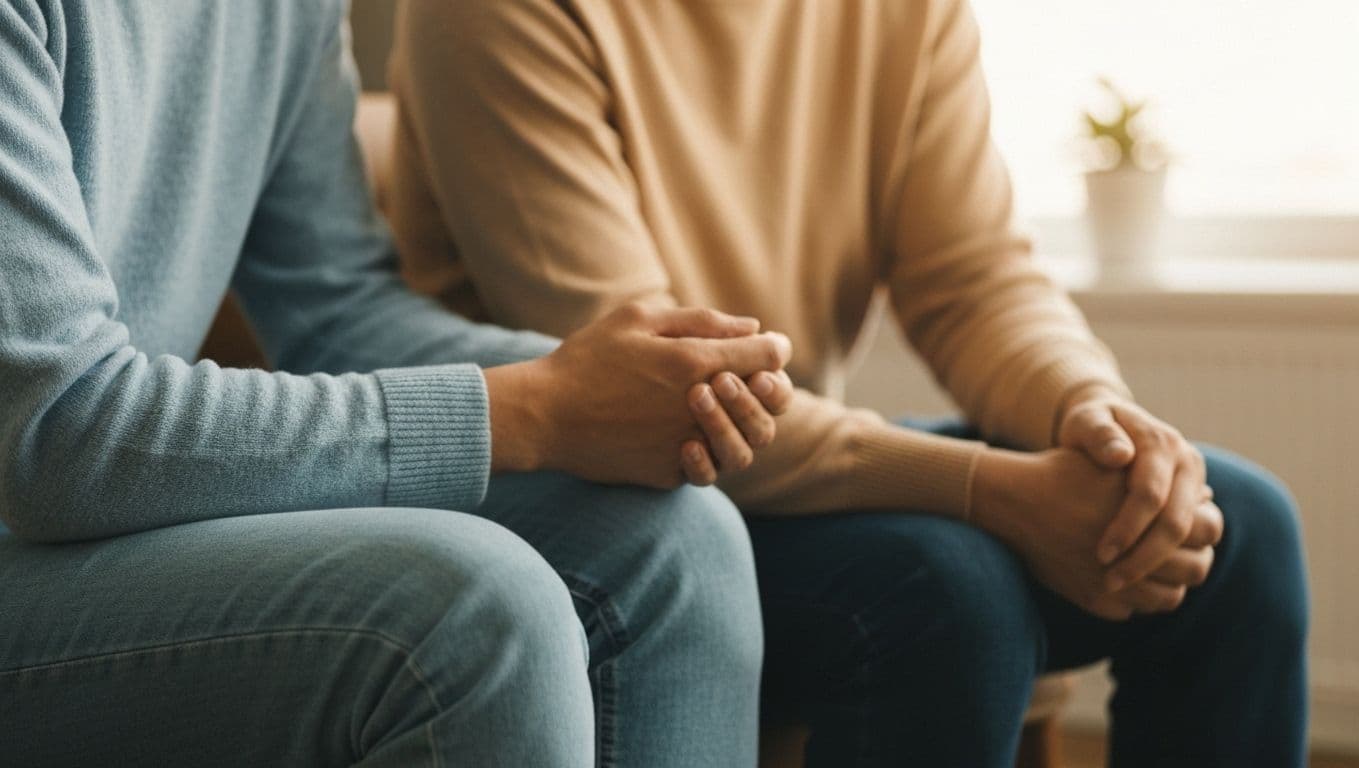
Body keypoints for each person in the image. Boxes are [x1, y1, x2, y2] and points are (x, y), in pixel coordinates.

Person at [387, 0, 1311, 764]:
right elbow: (653, 398)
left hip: (799, 473)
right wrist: (996, 491)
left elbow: (973, 279)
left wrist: (1096, 417)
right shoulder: (493, 14)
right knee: (945, 592)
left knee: (1236, 527)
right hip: (605, 519)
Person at [0, 2, 798, 765]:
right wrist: (535, 410)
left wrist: (594, 383)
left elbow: (335, 315)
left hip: (94, 535)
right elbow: (59, 430)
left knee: (680, 541)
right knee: (477, 612)